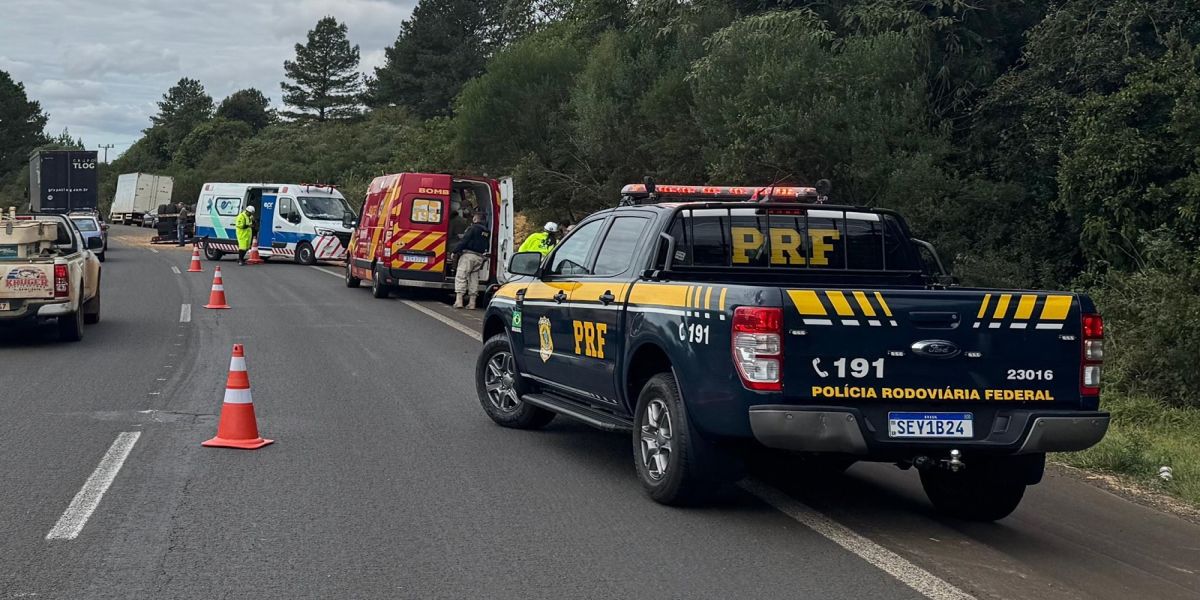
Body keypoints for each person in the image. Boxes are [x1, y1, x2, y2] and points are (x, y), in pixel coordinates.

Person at [450, 211, 490, 309]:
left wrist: (455, 251)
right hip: (479, 257)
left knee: (461, 275)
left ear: (475, 219)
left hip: (469, 255)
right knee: (474, 279)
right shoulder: (486, 231)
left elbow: (464, 241)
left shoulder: (472, 228)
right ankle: (472, 303)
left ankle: (459, 301)